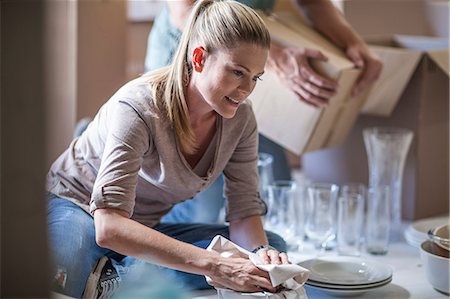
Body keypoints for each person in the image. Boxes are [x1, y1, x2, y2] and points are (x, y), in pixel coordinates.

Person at [47, 0, 289, 298]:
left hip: (137, 226)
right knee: (61, 272)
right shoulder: (137, 106)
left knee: (271, 250)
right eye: (238, 72)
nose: (247, 88)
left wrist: (261, 255)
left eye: (255, 77)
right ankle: (121, 274)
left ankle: (111, 278)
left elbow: (244, 214)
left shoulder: (242, 119)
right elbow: (108, 226)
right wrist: (214, 265)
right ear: (199, 58)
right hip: (77, 205)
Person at [144, 0, 383, 224]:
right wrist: (271, 57)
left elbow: (312, 2)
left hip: (252, 70)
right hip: (198, 67)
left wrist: (353, 42)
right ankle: (158, 263)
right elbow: (186, 11)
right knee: (203, 206)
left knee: (275, 194)